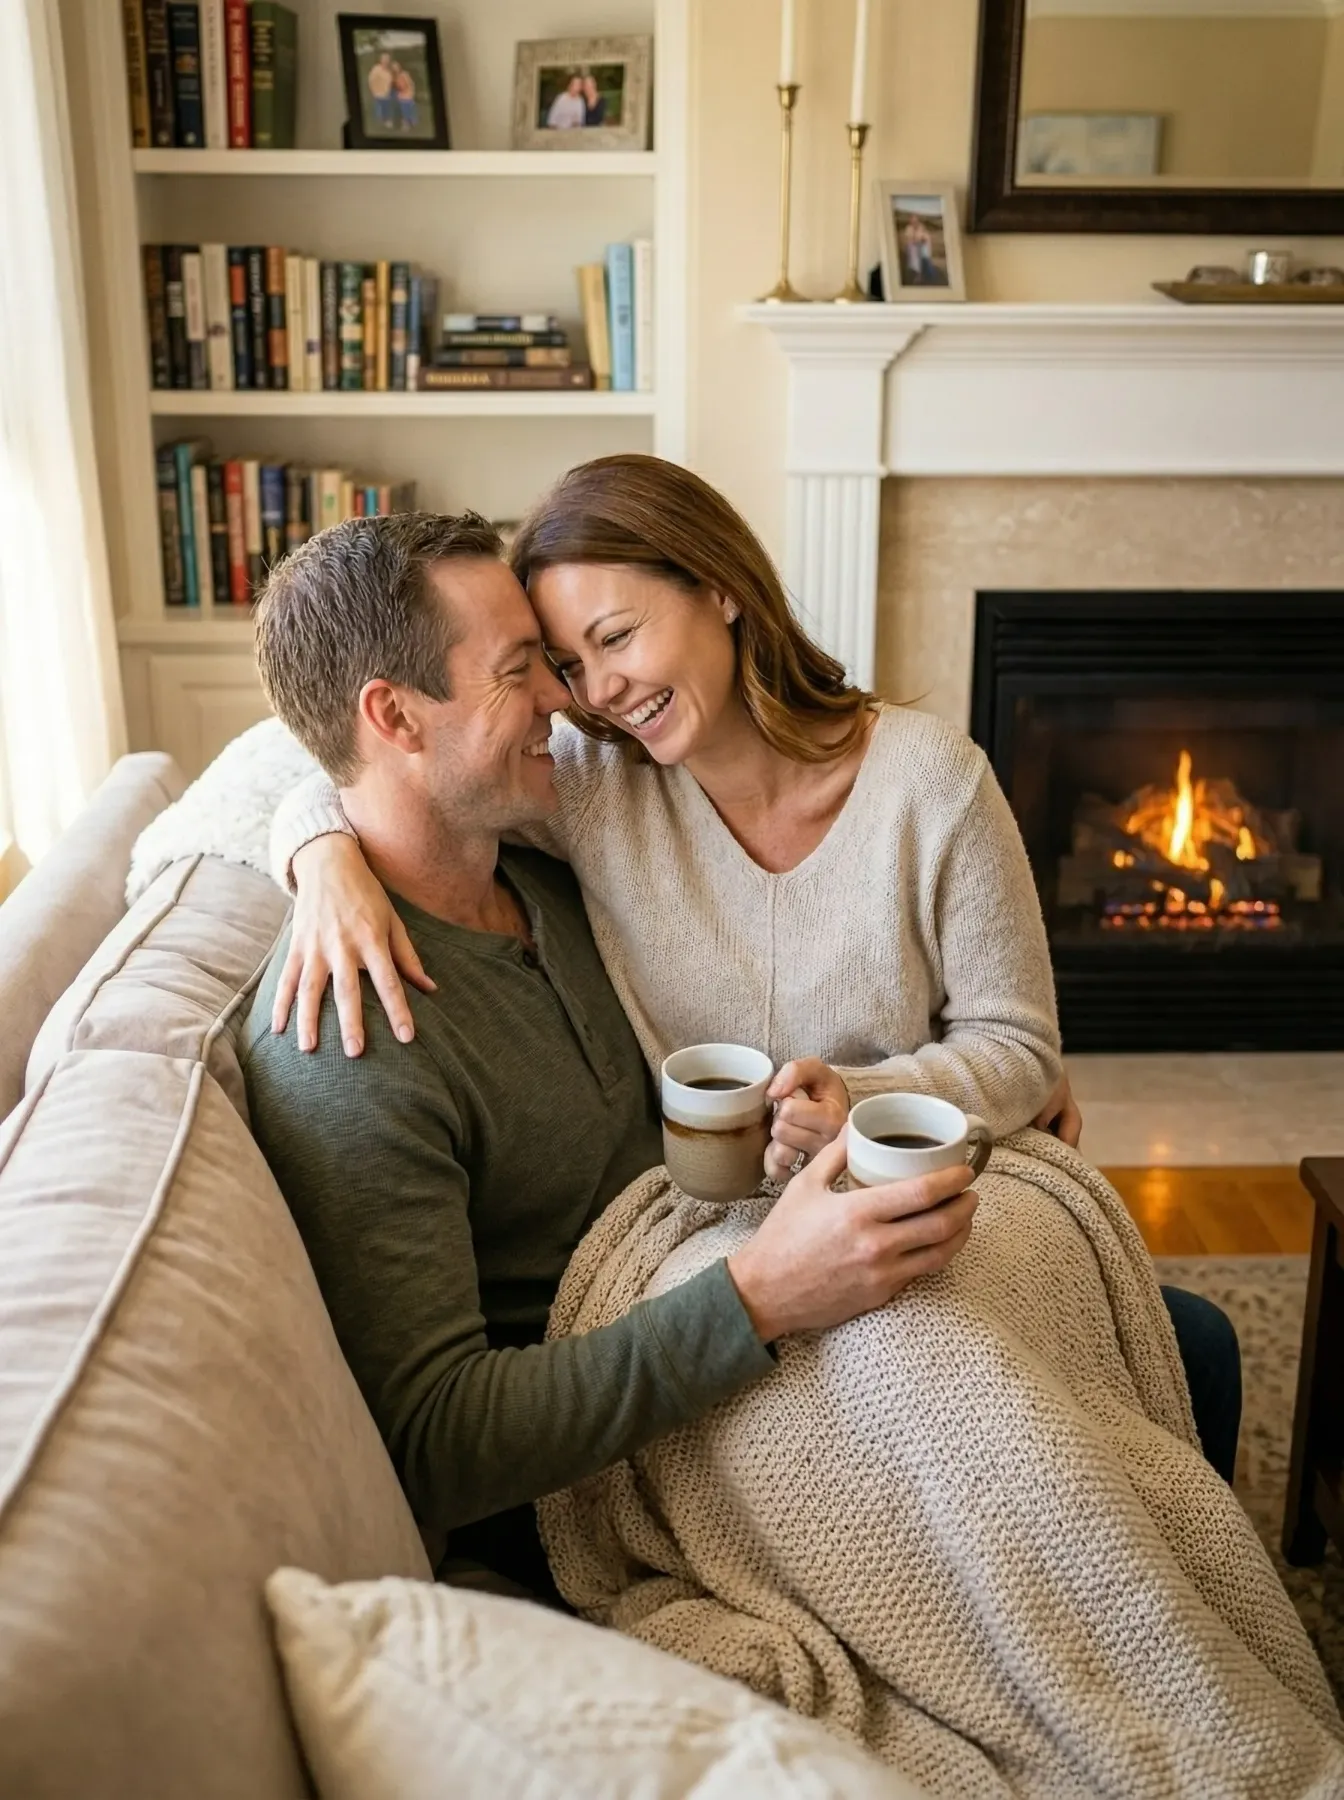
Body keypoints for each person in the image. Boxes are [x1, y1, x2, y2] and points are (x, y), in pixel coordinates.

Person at [144, 457, 1240, 1488]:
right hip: (714, 1277)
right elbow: (305, 761)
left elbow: (1015, 1048)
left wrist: (874, 1100)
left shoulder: (919, 785)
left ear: (719, 589)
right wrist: (319, 850)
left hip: (859, 1198)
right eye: (549, 666)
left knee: (1175, 1351)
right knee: (1090, 1409)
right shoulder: (588, 793)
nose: (584, 696)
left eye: (607, 641)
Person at [235, 512, 982, 1596]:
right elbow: (441, 1444)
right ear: (392, 715)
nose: (564, 697)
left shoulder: (547, 874)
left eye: (559, 659)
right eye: (519, 669)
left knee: (1151, 1340)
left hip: (731, 1282)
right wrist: (762, 1297)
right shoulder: (345, 1040)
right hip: (634, 1450)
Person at [366, 52, 395, 132]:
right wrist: (374, 90)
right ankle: (381, 123)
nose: (386, 61)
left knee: (387, 107)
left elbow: (391, 80)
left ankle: (388, 121)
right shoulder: (376, 69)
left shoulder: (389, 70)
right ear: (381, 60)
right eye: (384, 59)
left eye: (387, 59)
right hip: (378, 92)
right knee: (380, 108)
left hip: (388, 92)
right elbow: (371, 80)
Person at [392, 61, 417, 132]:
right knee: (404, 110)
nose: (395, 69)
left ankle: (411, 122)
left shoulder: (404, 74)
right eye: (393, 68)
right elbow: (396, 87)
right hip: (401, 96)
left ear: (399, 67)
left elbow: (409, 84)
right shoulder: (395, 77)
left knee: (409, 109)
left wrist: (410, 92)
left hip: (408, 95)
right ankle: (406, 123)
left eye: (396, 67)